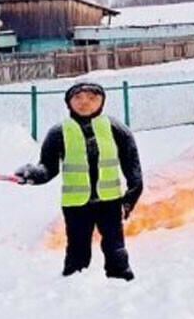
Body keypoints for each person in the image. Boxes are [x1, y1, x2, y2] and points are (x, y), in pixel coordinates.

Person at [15, 81, 143, 280]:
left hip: (110, 202)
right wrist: (32, 174)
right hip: (76, 204)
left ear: (102, 101)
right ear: (69, 103)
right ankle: (73, 281)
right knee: (77, 248)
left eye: (92, 98)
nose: (85, 102)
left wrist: (129, 199)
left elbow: (132, 167)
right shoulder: (59, 132)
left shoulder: (116, 128)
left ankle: (121, 280)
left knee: (115, 246)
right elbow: (48, 167)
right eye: (78, 98)